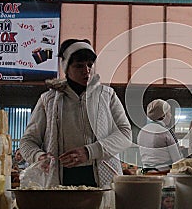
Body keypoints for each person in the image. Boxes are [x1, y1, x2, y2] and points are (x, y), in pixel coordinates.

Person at [20, 38, 132, 189]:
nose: (86, 70)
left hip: (103, 177)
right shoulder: (48, 100)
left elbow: (125, 134)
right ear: (66, 68)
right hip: (61, 180)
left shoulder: (107, 96)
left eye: (89, 65)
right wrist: (38, 156)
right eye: (79, 66)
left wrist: (89, 151)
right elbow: (28, 141)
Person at [137, 99, 182, 173]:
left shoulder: (142, 131)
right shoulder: (165, 131)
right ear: (163, 115)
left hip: (146, 172)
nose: (171, 115)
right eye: (169, 113)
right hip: (164, 173)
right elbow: (176, 160)